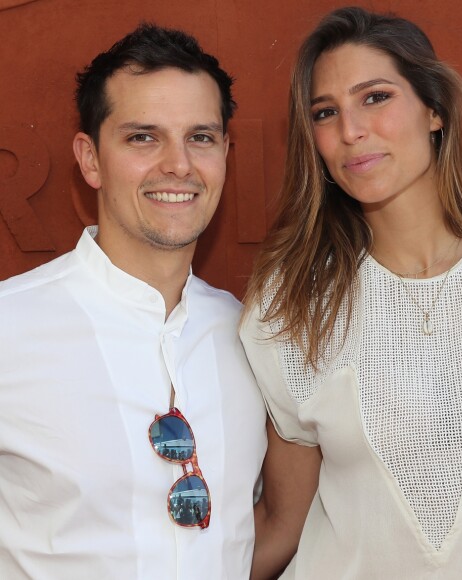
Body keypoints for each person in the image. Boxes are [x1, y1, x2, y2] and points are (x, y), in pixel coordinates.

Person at [241, 6, 462, 579]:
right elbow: (280, 523)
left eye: (375, 97)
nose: (351, 130)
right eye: (326, 112)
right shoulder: (291, 302)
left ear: (435, 110)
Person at [0, 24, 266, 579]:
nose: (179, 165)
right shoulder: (10, 327)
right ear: (90, 159)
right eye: (143, 137)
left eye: (201, 137)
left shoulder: (250, 336)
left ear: (224, 155)